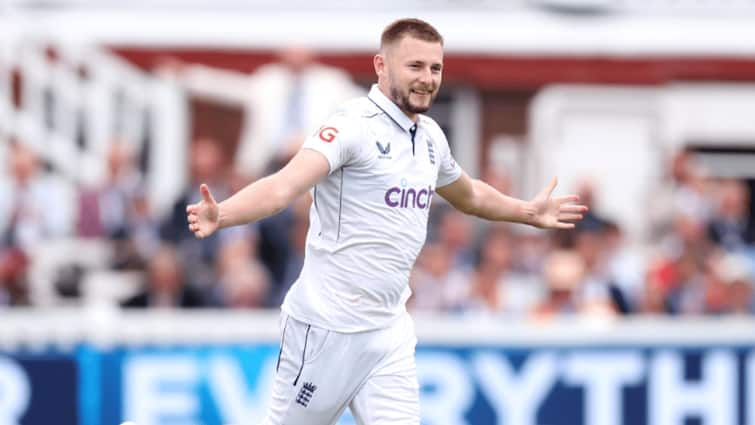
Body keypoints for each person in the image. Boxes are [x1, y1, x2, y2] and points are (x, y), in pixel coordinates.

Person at [186, 18, 587, 425]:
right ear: (381, 66)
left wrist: (528, 212)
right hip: (327, 328)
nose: (428, 79)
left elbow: (469, 194)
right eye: (415, 66)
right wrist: (225, 213)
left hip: (388, 332)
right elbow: (281, 188)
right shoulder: (351, 126)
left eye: (436, 68)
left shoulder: (430, 137)